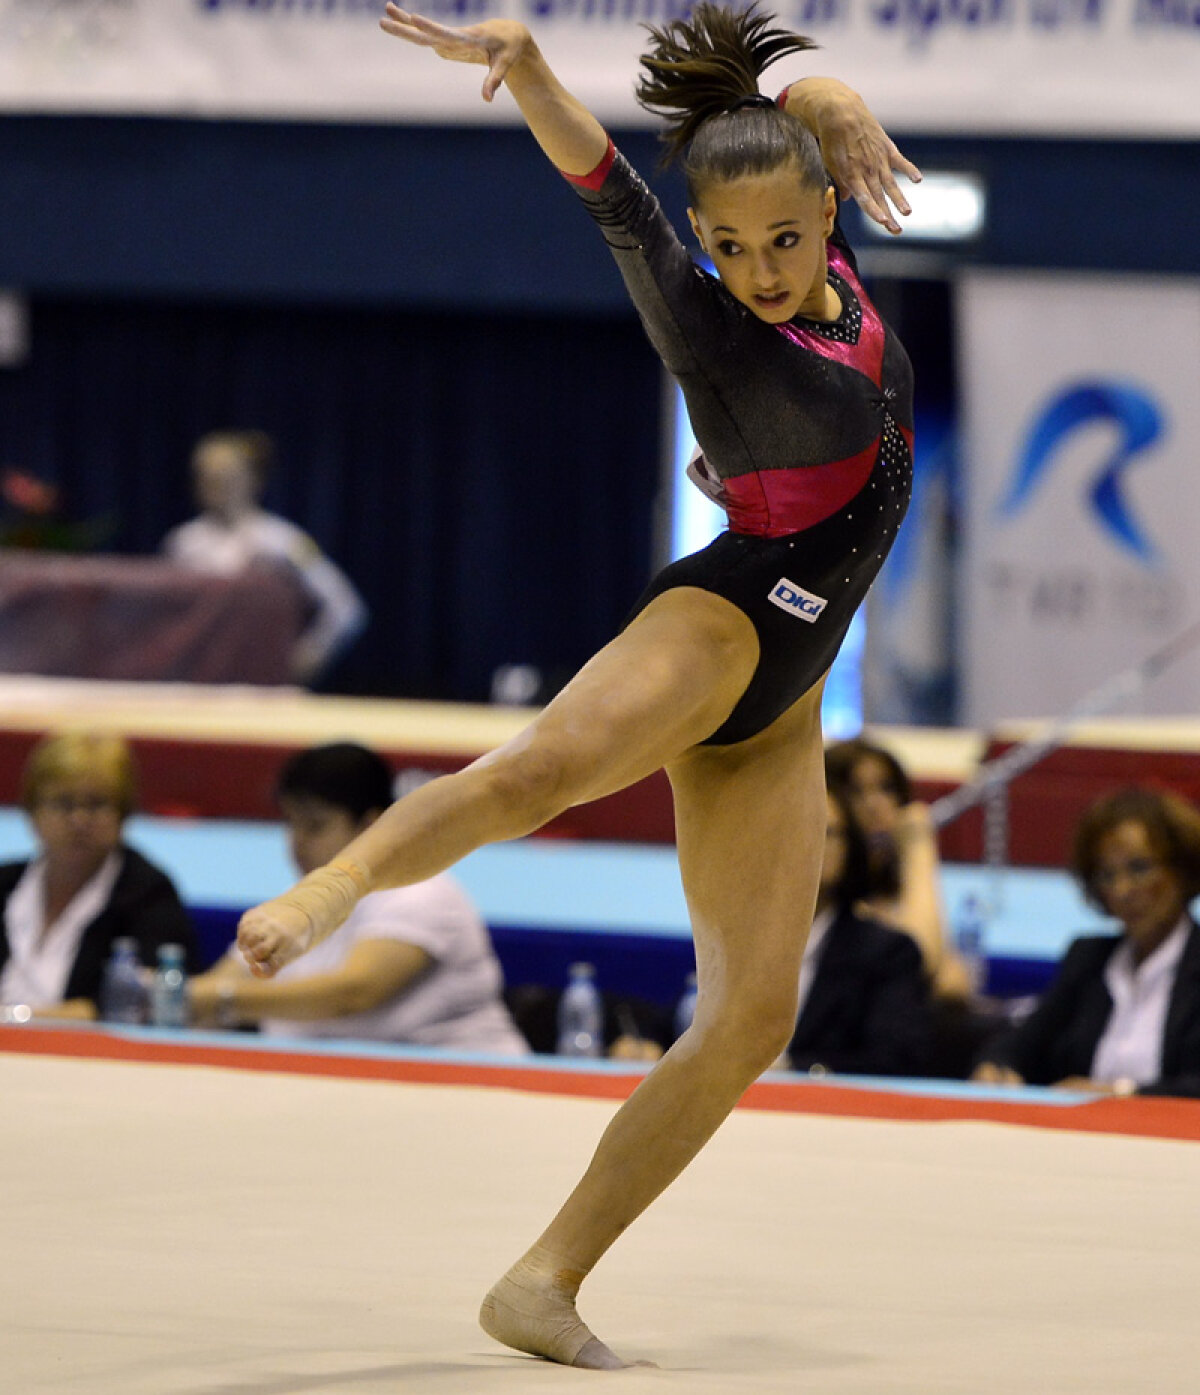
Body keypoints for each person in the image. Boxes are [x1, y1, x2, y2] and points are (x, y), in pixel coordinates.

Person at [237, 2, 920, 1368]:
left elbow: (788, 144)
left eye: (785, 238)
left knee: (752, 1016)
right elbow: (612, 195)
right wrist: (532, 72)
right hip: (722, 620)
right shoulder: (714, 324)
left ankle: (544, 1276)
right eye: (728, 248)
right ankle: (334, 886)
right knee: (544, 769)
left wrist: (831, 94)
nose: (759, 269)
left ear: (821, 209)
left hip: (787, 697)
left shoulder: (822, 249)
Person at [189, 743, 527, 1053]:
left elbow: (353, 992)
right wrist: (171, 996)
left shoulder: (422, 893)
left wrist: (222, 1000)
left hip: (469, 1084)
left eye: (315, 826)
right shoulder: (297, 906)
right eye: (291, 824)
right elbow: (216, 985)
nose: (297, 842)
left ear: (371, 825)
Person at [972, 787, 1200, 1098]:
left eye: (1139, 868)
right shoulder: (1089, 958)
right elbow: (1024, 1042)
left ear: (1183, 869)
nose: (1122, 890)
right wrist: (997, 1064)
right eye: (1107, 875)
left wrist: (1121, 1094)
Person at [0, 731, 198, 1021]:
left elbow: (139, 1006)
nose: (79, 820)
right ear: (32, 811)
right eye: (63, 803)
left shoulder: (147, 894)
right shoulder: (5, 883)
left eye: (96, 804)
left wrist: (16, 1022)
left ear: (123, 814)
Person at [161, 429, 367, 685]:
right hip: (199, 685)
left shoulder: (284, 541)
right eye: (207, 476)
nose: (215, 484)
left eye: (227, 476)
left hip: (263, 685)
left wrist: (308, 656)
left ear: (253, 479)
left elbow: (344, 606)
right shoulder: (182, 543)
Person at [785, 781, 933, 1077]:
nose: (807, 844)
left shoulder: (886, 953)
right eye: (791, 828)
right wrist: (661, 1040)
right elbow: (680, 1019)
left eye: (825, 832)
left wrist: (796, 1070)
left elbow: (895, 1059)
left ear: (850, 849)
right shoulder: (733, 939)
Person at [825, 734, 972, 1001]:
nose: (876, 805)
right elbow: (921, 960)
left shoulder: (895, 892)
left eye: (886, 789)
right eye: (856, 791)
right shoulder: (824, 902)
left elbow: (955, 981)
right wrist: (919, 847)